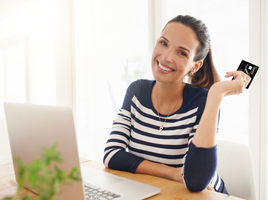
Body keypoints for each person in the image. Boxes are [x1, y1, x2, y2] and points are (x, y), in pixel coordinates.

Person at [103, 15, 251, 194]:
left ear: (194, 66)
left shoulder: (202, 102)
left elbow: (195, 181)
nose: (166, 57)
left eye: (181, 52)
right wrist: (172, 173)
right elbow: (111, 155)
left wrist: (216, 93)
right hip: (157, 190)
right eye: (164, 43)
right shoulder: (136, 92)